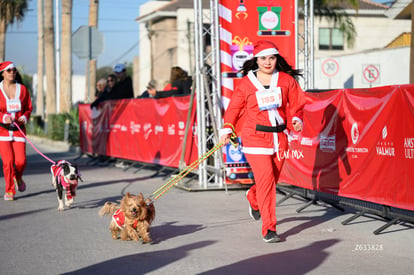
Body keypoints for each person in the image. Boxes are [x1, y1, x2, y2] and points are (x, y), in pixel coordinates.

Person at [219, 40, 306, 243]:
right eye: (263, 58)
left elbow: (297, 104)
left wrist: (296, 119)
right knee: (267, 182)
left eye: (271, 58)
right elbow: (233, 109)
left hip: (280, 138)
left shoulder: (286, 80)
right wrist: (227, 128)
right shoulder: (246, 84)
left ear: (276, 59)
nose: (267, 62)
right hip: (255, 137)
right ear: (256, 60)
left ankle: (253, 197)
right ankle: (269, 228)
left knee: (271, 181)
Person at [0, 61, 33, 201]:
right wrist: (3, 117)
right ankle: (9, 190)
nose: (12, 72)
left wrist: (25, 117)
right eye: (9, 70)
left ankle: (17, 177)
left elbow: (28, 108)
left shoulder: (23, 89)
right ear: (2, 73)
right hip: (3, 131)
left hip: (19, 130)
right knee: (8, 162)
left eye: (14, 70)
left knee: (21, 161)